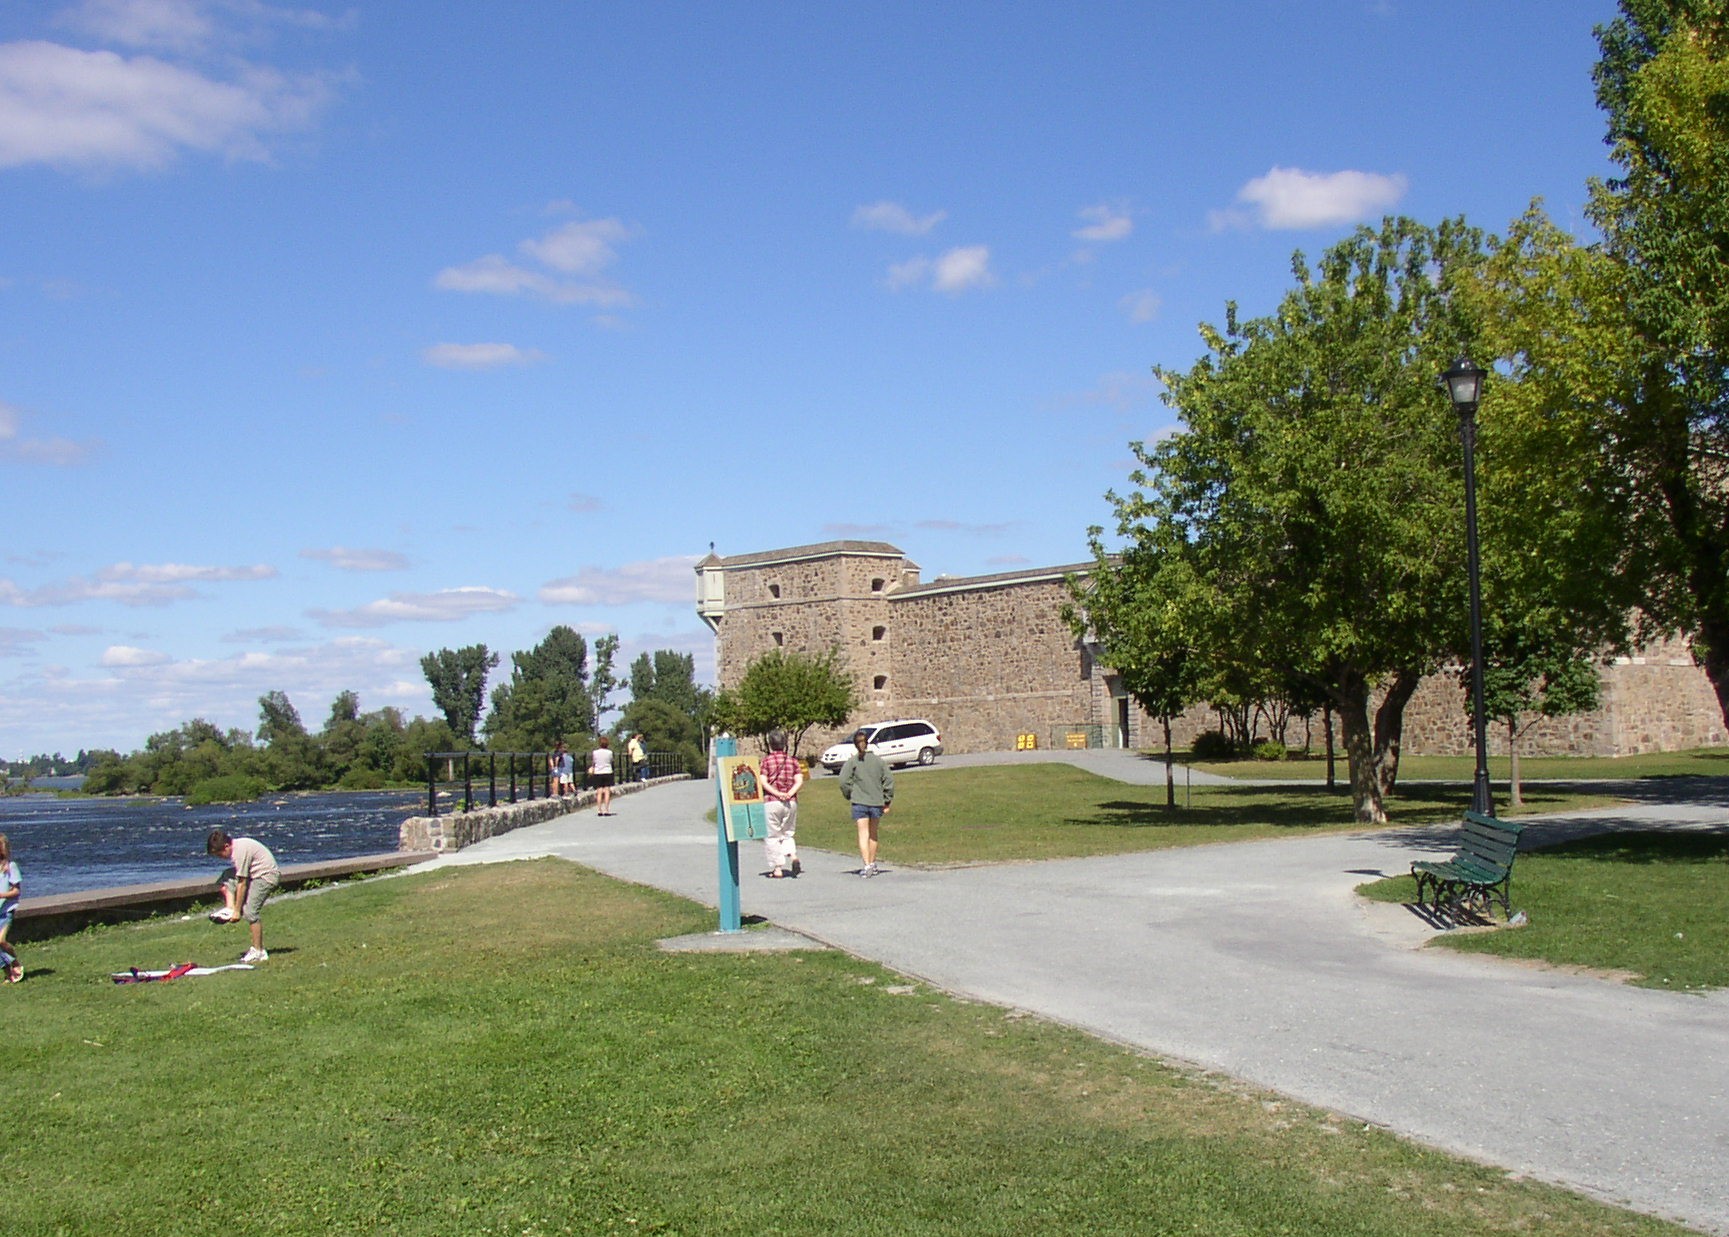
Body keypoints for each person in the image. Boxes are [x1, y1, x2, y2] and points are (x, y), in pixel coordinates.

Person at [207, 829, 280, 963]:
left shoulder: (239, 852)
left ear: (227, 846)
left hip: (265, 877)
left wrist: (238, 911)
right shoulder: (237, 847)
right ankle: (229, 908)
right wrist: (233, 908)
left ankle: (259, 951)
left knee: (250, 912)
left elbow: (242, 883)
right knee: (226, 876)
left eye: (220, 854)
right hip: (255, 873)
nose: (221, 858)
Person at [838, 728, 893, 877]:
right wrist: (887, 799)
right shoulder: (878, 761)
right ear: (867, 743)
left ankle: (867, 864)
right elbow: (888, 780)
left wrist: (850, 794)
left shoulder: (852, 762)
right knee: (873, 834)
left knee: (863, 833)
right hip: (876, 801)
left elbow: (843, 781)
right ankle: (872, 862)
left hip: (859, 801)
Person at [759, 729, 804, 878]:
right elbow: (799, 780)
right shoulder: (792, 761)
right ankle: (793, 856)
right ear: (784, 744)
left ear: (770, 744)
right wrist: (790, 793)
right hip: (790, 802)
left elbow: (763, 781)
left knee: (773, 835)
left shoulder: (766, 761)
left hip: (772, 801)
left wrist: (776, 793)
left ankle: (778, 868)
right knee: (787, 833)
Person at [0, 834, 22, 983]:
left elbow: (16, 891)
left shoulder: (11, 867)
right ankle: (8, 974)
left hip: (6, 910)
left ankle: (15, 962)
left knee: (0, 941)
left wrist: (2, 894)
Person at [590, 736, 616, 815]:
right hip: (607, 771)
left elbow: (594, 762)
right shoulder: (610, 752)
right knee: (607, 791)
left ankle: (599, 810)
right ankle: (606, 810)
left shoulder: (595, 752)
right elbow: (611, 761)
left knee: (599, 791)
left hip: (598, 772)